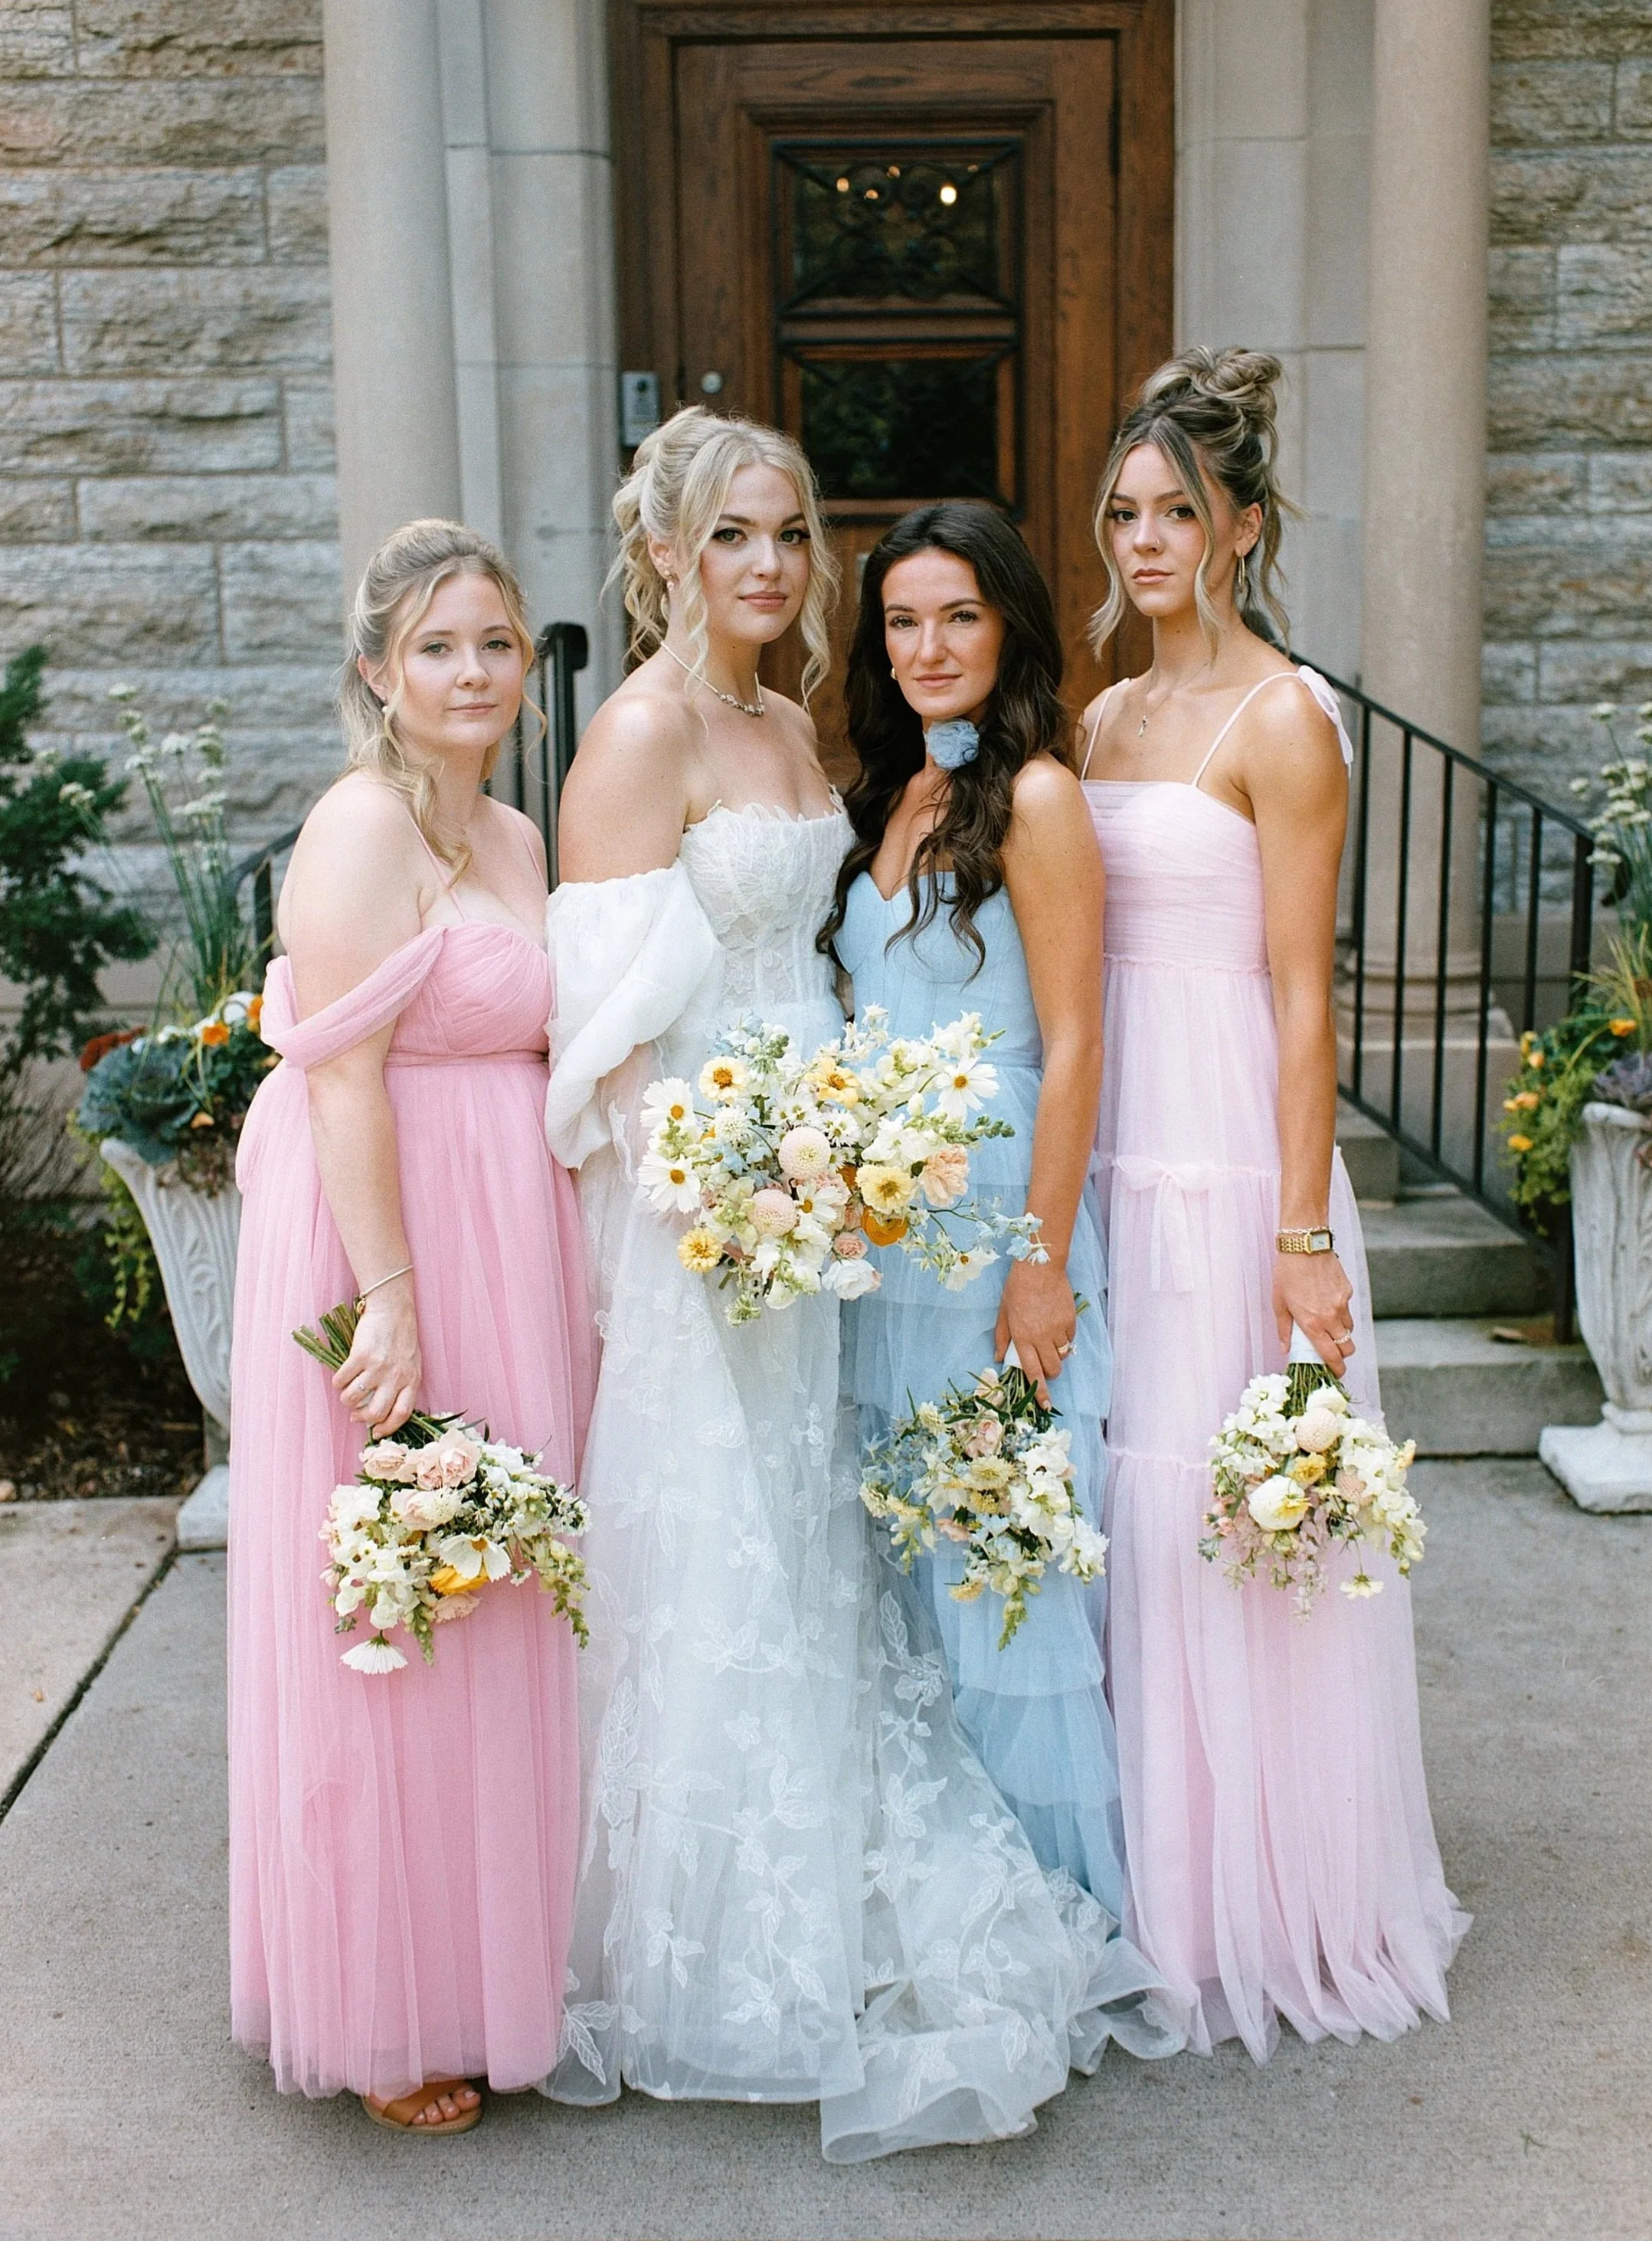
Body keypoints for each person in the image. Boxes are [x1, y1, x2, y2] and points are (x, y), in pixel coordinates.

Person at [541, 407, 1180, 2161]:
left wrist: (984, 1236)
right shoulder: (645, 737)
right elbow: (596, 1038)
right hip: (740, 1221)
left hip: (877, 1218)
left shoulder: (803, 738)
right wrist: (729, 1186)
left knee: (861, 1558)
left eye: (785, 533)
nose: (765, 565)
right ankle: (727, 1929)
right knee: (748, 1554)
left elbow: (1054, 1038)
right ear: (666, 549)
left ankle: (958, 1882)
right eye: (732, 534)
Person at [1078, 348, 1468, 2063]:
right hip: (1112, 1140)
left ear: (1239, 528)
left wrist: (1301, 1231)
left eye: (1174, 510)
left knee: (1231, 1489)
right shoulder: (1097, 713)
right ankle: (1153, 1869)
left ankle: (1266, 1887)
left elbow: (1305, 991)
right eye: (1120, 511)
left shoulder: (1284, 717)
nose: (1141, 537)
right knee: (1130, 1489)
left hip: (1232, 1139)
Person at [227, 520, 594, 2131]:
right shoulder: (358, 826)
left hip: (508, 1229)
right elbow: (341, 1070)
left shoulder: (513, 835)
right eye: (438, 645)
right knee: (397, 1597)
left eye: (495, 643)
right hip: (380, 1229)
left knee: (502, 1584)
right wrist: (386, 1291)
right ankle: (386, 2002)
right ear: (379, 668)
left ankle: (502, 1959)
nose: (471, 672)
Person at [829, 501, 1130, 1918]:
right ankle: (933, 1887)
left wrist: (1043, 1266)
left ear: (1006, 623)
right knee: (898, 1548)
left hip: (994, 1224)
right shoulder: (881, 796)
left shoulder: (1042, 798)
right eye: (901, 619)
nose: (928, 645)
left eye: (957, 614)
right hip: (884, 1240)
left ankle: (1047, 1899)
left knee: (991, 1552)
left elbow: (1074, 1040)